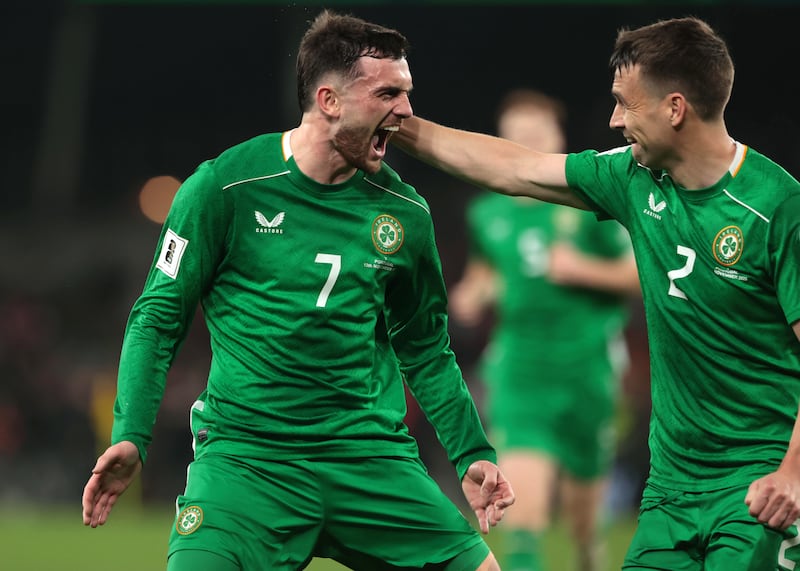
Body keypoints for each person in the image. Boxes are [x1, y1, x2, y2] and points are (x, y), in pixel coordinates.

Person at [81, 10, 514, 571]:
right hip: (247, 461)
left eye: (406, 94)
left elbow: (426, 348)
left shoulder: (404, 213)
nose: (406, 112)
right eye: (387, 93)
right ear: (330, 101)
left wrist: (470, 454)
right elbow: (157, 316)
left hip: (366, 458)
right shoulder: (224, 187)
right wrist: (131, 433)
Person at [393, 16, 800, 571]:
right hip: (670, 492)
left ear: (674, 109)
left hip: (758, 483)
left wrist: (794, 474)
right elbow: (518, 169)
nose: (613, 120)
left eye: (625, 104)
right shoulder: (633, 178)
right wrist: (397, 124)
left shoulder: (777, 206)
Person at [449, 88, 639, 571]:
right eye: (517, 136)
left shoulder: (588, 202)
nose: (527, 143)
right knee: (523, 514)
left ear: (557, 138)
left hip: (586, 371)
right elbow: (489, 270)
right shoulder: (488, 213)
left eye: (537, 134)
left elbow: (640, 275)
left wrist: (581, 269)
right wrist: (474, 291)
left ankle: (588, 555)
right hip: (520, 369)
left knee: (582, 532)